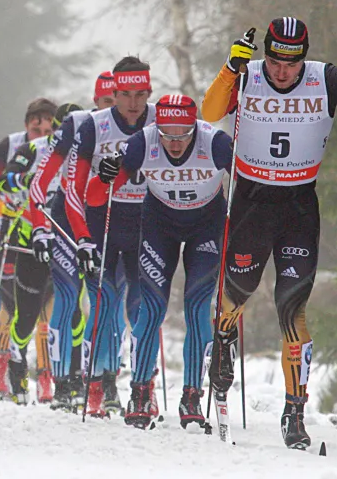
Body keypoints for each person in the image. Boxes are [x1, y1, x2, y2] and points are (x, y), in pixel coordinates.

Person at [201, 18, 337, 448]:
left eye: (292, 62)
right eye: (276, 61)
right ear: (265, 53)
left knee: (293, 307)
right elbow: (209, 113)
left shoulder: (326, 79)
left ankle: (294, 412)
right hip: (250, 201)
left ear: (304, 56)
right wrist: (231, 67)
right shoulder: (246, 76)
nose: (283, 71)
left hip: (299, 205)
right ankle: (224, 335)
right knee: (238, 291)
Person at [84, 94, 231, 429]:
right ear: (157, 127)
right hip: (158, 227)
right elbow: (94, 198)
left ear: (195, 127)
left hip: (205, 227)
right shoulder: (141, 143)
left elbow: (248, 183)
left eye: (182, 135)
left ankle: (192, 395)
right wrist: (105, 176)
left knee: (196, 306)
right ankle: (140, 391)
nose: (174, 143)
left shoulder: (215, 142)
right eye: (167, 134)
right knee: (151, 307)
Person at [63, 58, 155, 417]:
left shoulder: (160, 122)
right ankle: (98, 383)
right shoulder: (94, 126)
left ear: (149, 92)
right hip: (102, 221)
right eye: (124, 95)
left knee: (144, 307)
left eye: (141, 95)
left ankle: (144, 385)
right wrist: (83, 238)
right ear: (112, 94)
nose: (133, 103)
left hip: (147, 223)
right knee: (104, 304)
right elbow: (73, 188)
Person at [28, 73, 117, 411]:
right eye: (107, 101)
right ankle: (63, 380)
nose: (115, 108)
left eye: (117, 100)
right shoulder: (83, 125)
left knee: (106, 300)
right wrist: (40, 228)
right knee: (67, 297)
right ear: (98, 101)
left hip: (107, 219)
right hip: (67, 215)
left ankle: (105, 379)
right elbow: (42, 179)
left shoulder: (138, 127)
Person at [0, 97, 59, 400]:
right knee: (10, 303)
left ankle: (44, 375)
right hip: (15, 229)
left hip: (50, 230)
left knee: (47, 306)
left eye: (46, 125)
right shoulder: (11, 145)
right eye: (34, 125)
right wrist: (10, 210)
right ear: (26, 124)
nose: (39, 130)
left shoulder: (59, 148)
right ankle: (2, 367)